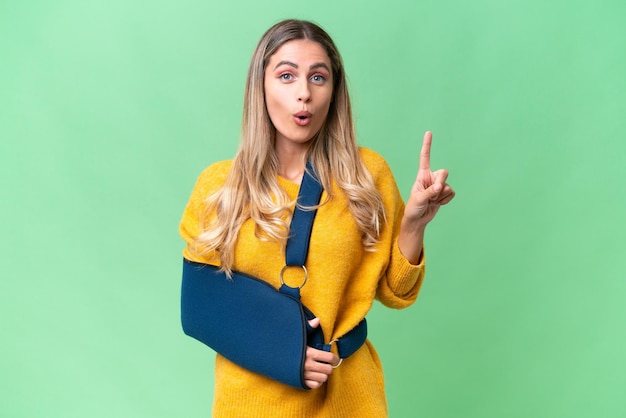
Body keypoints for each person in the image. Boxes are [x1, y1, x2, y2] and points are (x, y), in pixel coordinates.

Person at [179, 18, 455, 417]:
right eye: (286, 76)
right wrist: (283, 351)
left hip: (349, 395)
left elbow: (397, 294)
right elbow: (200, 307)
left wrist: (414, 223)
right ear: (261, 86)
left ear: (334, 91)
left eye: (318, 78)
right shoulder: (219, 186)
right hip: (252, 401)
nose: (303, 94)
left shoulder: (366, 176)